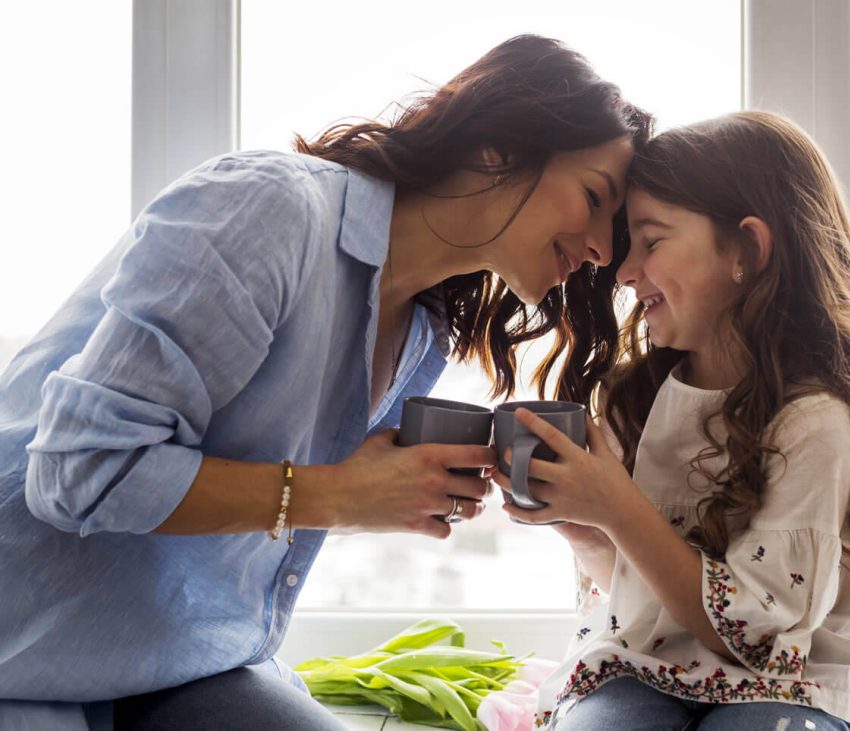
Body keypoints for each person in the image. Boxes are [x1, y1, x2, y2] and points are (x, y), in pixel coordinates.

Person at [0, 34, 651, 730]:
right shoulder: (270, 211)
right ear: (499, 146)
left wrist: (394, 494)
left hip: (179, 660)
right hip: (32, 645)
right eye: (593, 197)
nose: (602, 252)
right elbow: (80, 468)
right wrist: (342, 494)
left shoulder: (421, 332)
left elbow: (260, 501)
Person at [495, 110, 850, 730]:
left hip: (790, 684)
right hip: (648, 665)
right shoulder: (634, 399)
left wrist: (617, 506)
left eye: (652, 241)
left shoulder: (814, 423)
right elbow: (635, 583)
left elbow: (761, 641)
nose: (623, 271)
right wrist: (582, 523)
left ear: (747, 249)